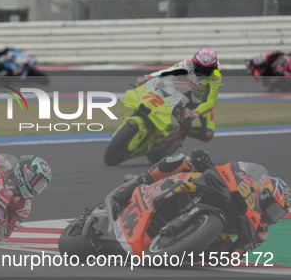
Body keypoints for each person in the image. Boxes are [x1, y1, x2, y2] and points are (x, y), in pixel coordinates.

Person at [114, 148, 291, 254]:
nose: (272, 214)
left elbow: (240, 252)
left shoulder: (261, 232)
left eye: (277, 214)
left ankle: (182, 241)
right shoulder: (248, 183)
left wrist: (223, 253)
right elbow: (231, 170)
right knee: (184, 160)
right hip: (212, 191)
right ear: (264, 193)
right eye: (273, 207)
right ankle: (138, 183)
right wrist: (206, 162)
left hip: (205, 239)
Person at [137, 48, 221, 144]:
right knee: (163, 85)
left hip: (202, 103)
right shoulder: (187, 64)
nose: (202, 71)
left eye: (207, 69)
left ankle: (182, 132)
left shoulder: (215, 77)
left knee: (208, 135)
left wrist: (194, 112)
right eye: (200, 67)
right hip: (190, 90)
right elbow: (167, 71)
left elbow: (210, 102)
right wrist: (147, 77)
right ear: (194, 63)